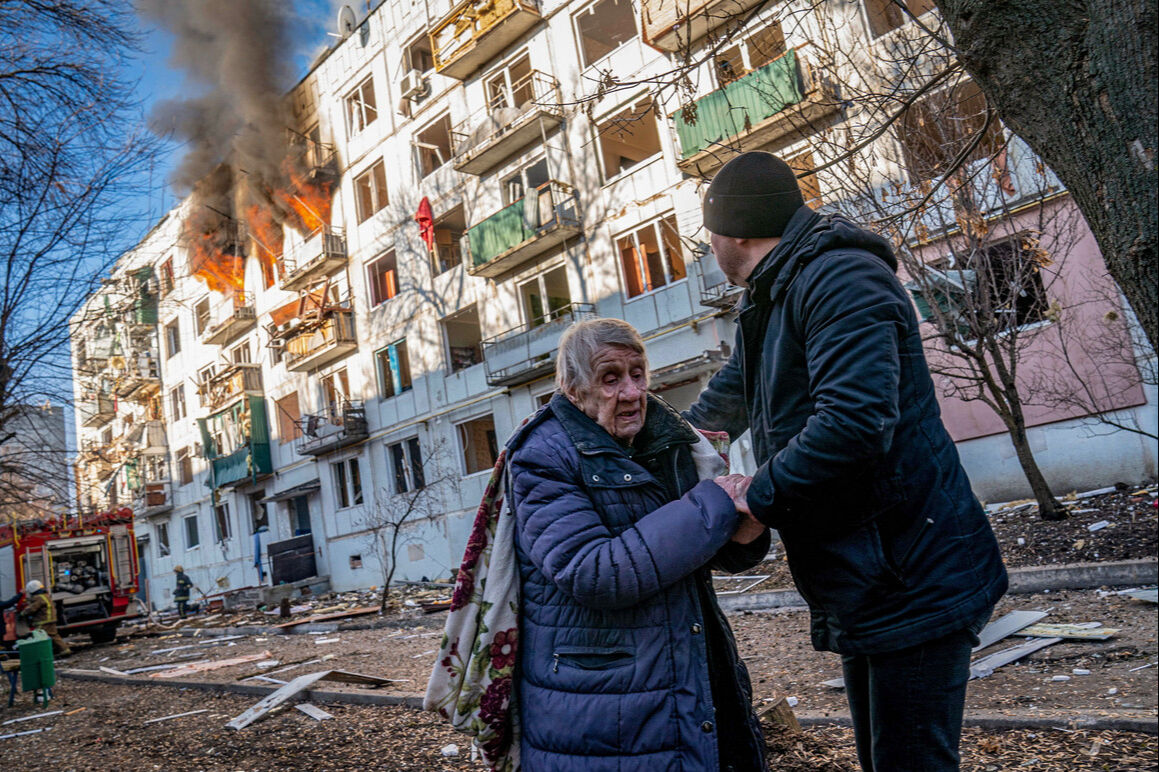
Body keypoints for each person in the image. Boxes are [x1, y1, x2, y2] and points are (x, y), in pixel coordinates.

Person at [685, 151, 1008, 772]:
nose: (711, 249)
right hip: (869, 578)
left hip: (911, 572)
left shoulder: (841, 280)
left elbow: (853, 425)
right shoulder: (774, 293)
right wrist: (671, 443)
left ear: (739, 232)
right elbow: (729, 397)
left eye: (710, 236)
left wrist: (756, 496)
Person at [506, 318, 769, 771]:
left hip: (686, 674)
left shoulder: (666, 437)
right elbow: (593, 572)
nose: (631, 393)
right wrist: (714, 502)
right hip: (602, 701)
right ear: (573, 388)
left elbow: (696, 546)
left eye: (638, 374)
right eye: (610, 379)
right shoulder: (541, 454)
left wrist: (745, 530)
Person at [19, 580, 71, 657]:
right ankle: (65, 650)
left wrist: (23, 613)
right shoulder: (45, 595)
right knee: (54, 635)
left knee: (38, 636)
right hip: (51, 619)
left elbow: (32, 608)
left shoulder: (38, 598)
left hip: (43, 621)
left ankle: (41, 654)